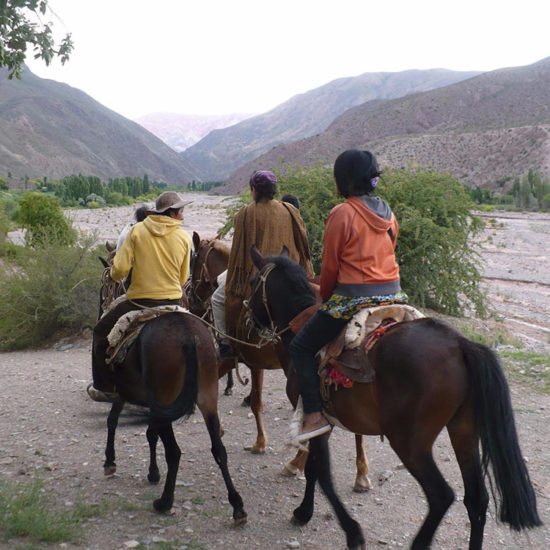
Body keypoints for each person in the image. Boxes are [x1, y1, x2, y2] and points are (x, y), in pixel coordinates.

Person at [289, 149, 408, 442]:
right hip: (393, 296)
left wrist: (327, 296)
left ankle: (314, 416)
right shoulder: (389, 214)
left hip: (354, 297)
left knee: (300, 347)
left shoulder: (342, 213)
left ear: (343, 179)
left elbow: (330, 267)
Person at [87, 191, 192, 402]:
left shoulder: (137, 231)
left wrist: (116, 273)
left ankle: (105, 386)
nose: (182, 214)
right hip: (172, 301)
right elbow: (183, 277)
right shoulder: (184, 237)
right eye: (181, 210)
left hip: (139, 300)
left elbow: (120, 270)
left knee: (100, 331)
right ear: (171, 213)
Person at [211, 170, 314, 359]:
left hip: (257, 272)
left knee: (217, 300)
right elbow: (302, 247)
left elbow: (238, 257)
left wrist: (237, 282)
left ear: (254, 190)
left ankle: (226, 344)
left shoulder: (245, 213)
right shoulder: (290, 210)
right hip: (289, 274)